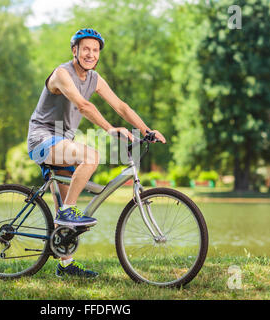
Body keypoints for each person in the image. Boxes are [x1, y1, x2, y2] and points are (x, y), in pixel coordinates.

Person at [27, 28, 166, 278]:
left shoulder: (94, 78)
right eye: (86, 49)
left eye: (95, 50)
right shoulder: (62, 74)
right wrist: (110, 128)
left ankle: (65, 264)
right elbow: (83, 105)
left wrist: (147, 130)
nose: (91, 54)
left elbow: (121, 106)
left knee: (65, 213)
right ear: (75, 51)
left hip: (62, 142)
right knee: (90, 156)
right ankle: (66, 211)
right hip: (42, 140)